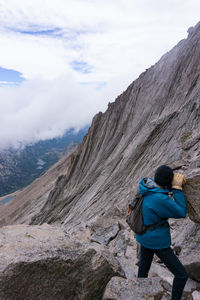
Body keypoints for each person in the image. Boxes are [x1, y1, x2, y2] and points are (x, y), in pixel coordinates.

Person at [135, 165, 188, 300]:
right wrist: (177, 189)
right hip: (155, 240)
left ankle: (138, 293)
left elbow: (161, 192)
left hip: (143, 235)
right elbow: (181, 212)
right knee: (181, 274)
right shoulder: (160, 199)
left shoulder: (147, 186)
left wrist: (168, 187)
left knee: (143, 269)